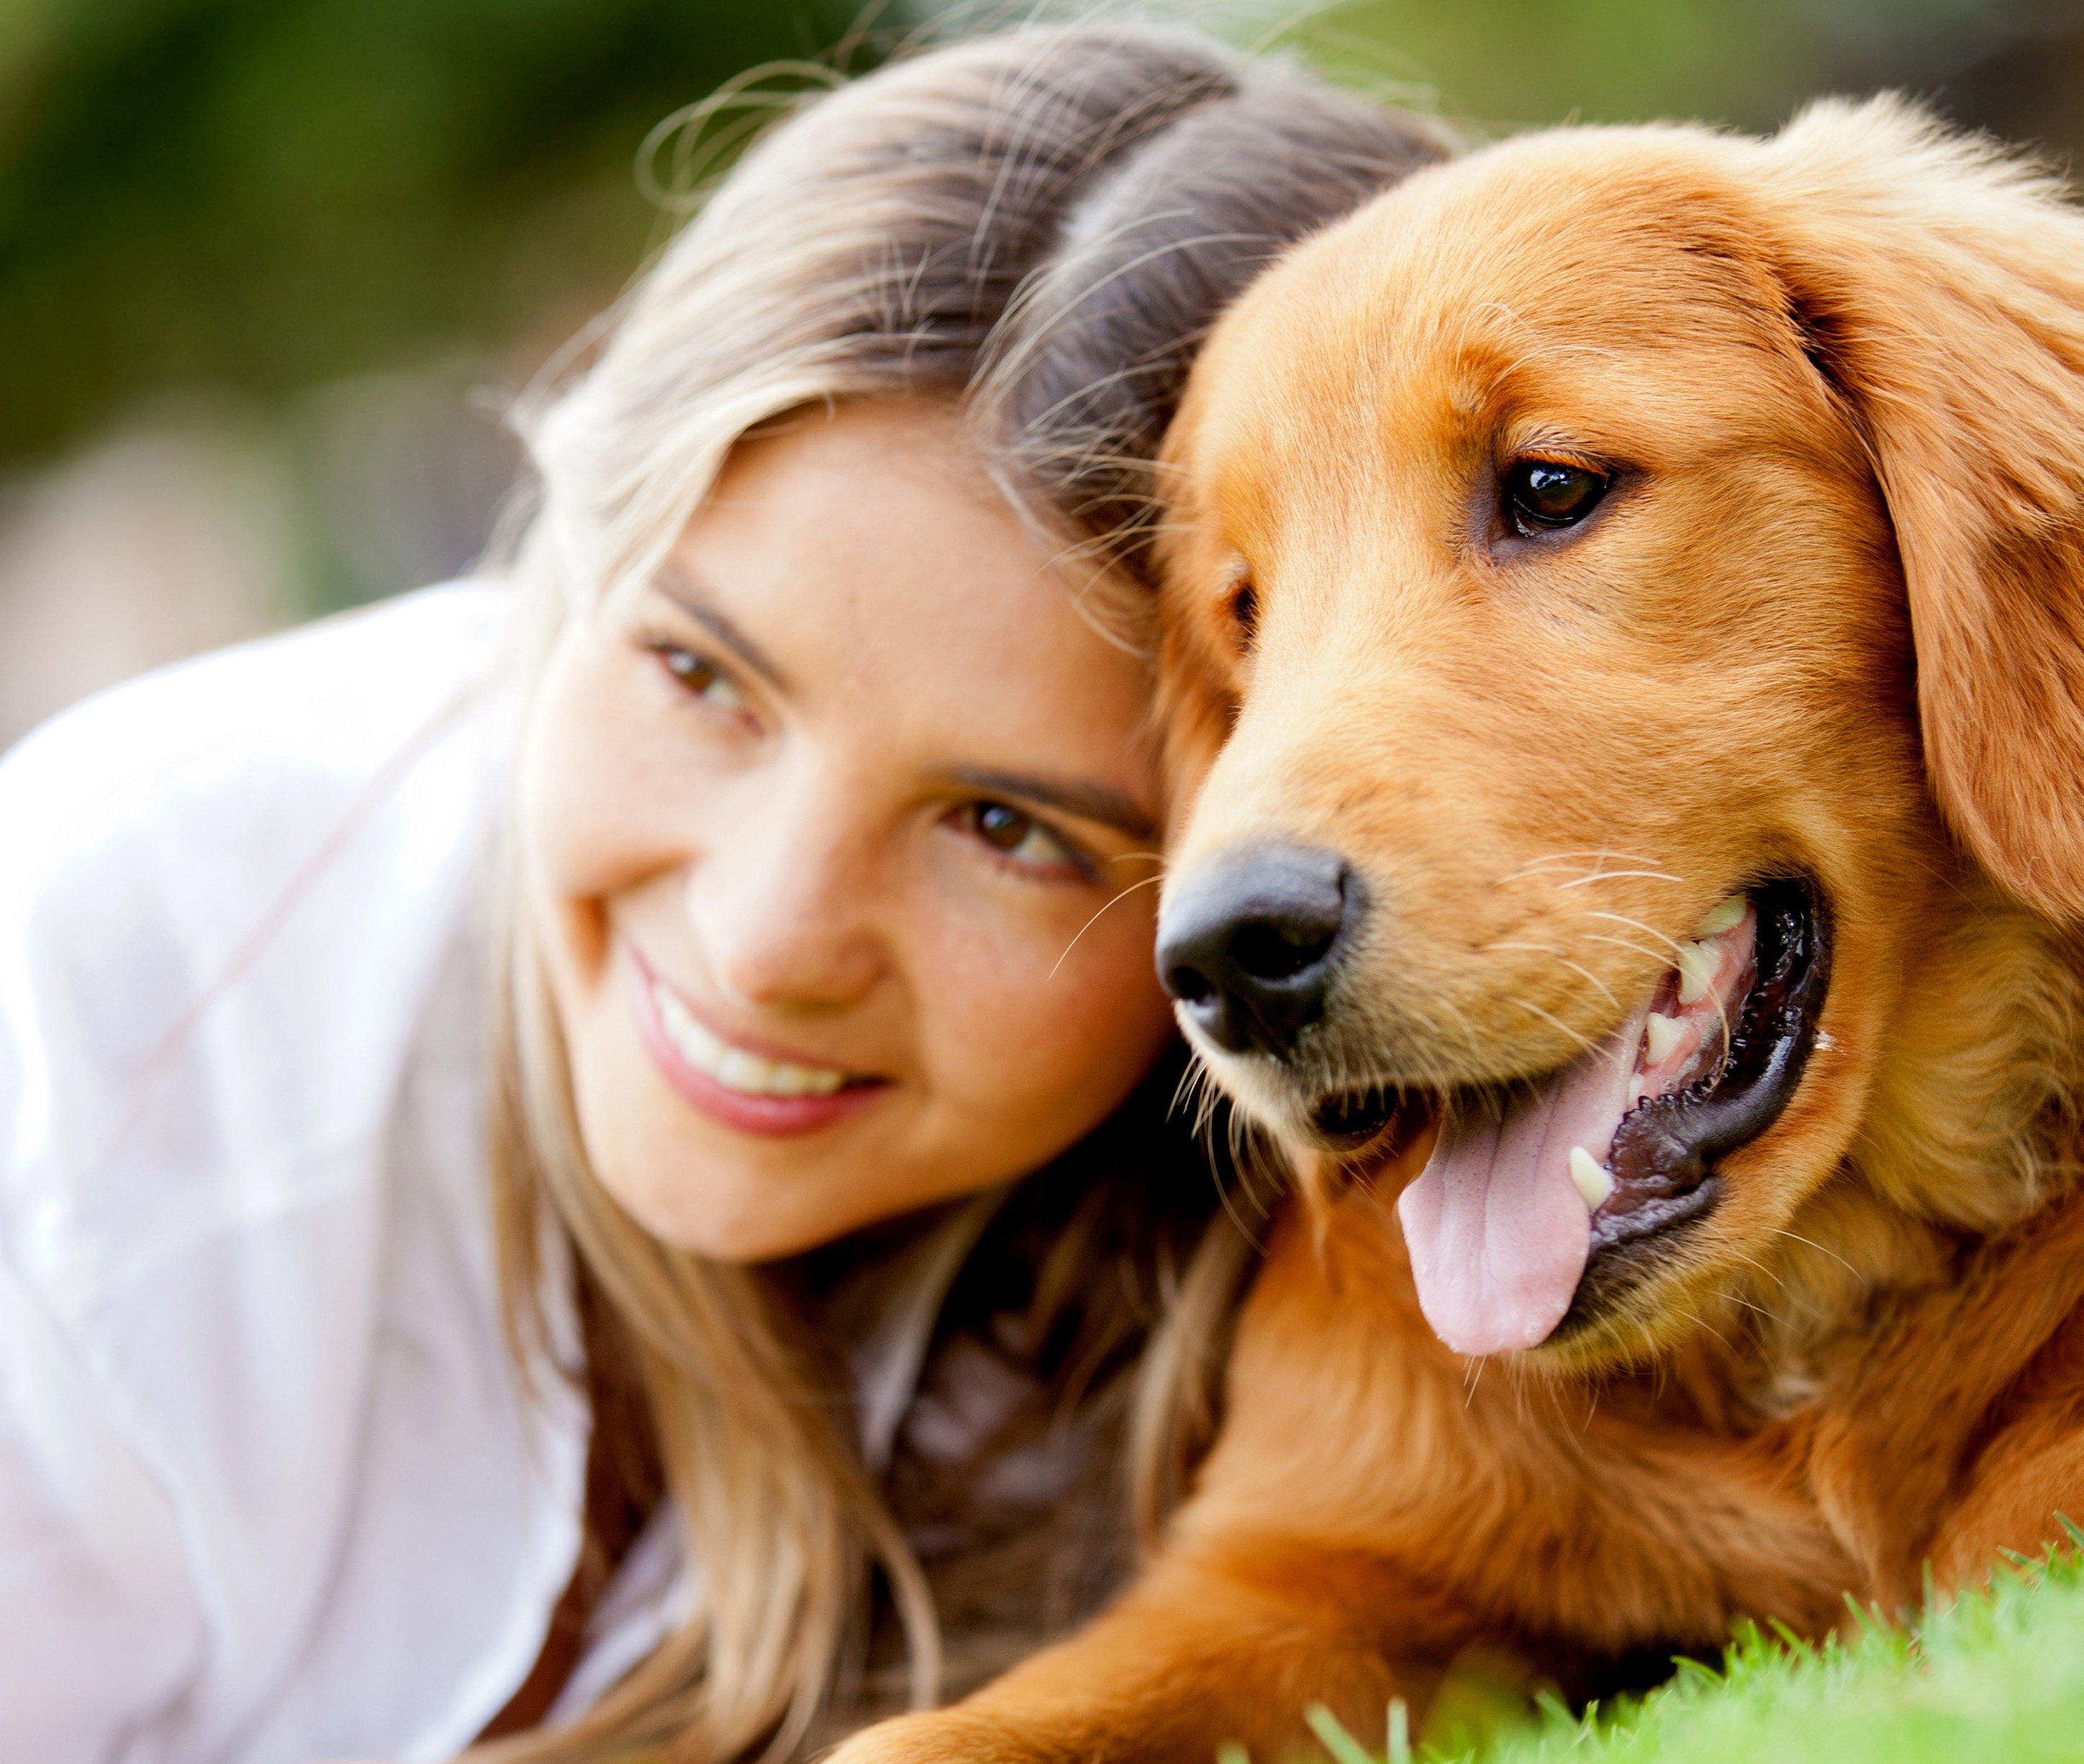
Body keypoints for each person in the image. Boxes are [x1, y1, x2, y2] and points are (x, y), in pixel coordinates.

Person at [0, 24, 1449, 1764]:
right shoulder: (117, 996)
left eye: (1009, 827)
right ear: (579, 542)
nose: (766, 939)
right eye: (700, 677)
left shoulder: (1277, 1279)